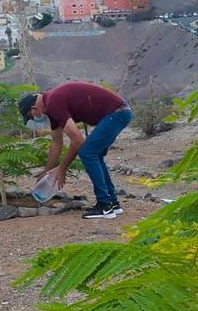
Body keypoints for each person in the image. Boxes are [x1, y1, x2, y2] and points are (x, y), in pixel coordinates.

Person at [18, 81, 132, 220]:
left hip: (117, 113)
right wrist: (47, 171)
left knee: (87, 152)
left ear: (35, 108)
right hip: (118, 113)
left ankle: (105, 205)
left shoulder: (54, 103)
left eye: (30, 116)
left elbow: (78, 140)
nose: (34, 119)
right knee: (95, 154)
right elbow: (56, 142)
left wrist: (62, 168)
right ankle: (112, 203)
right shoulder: (51, 106)